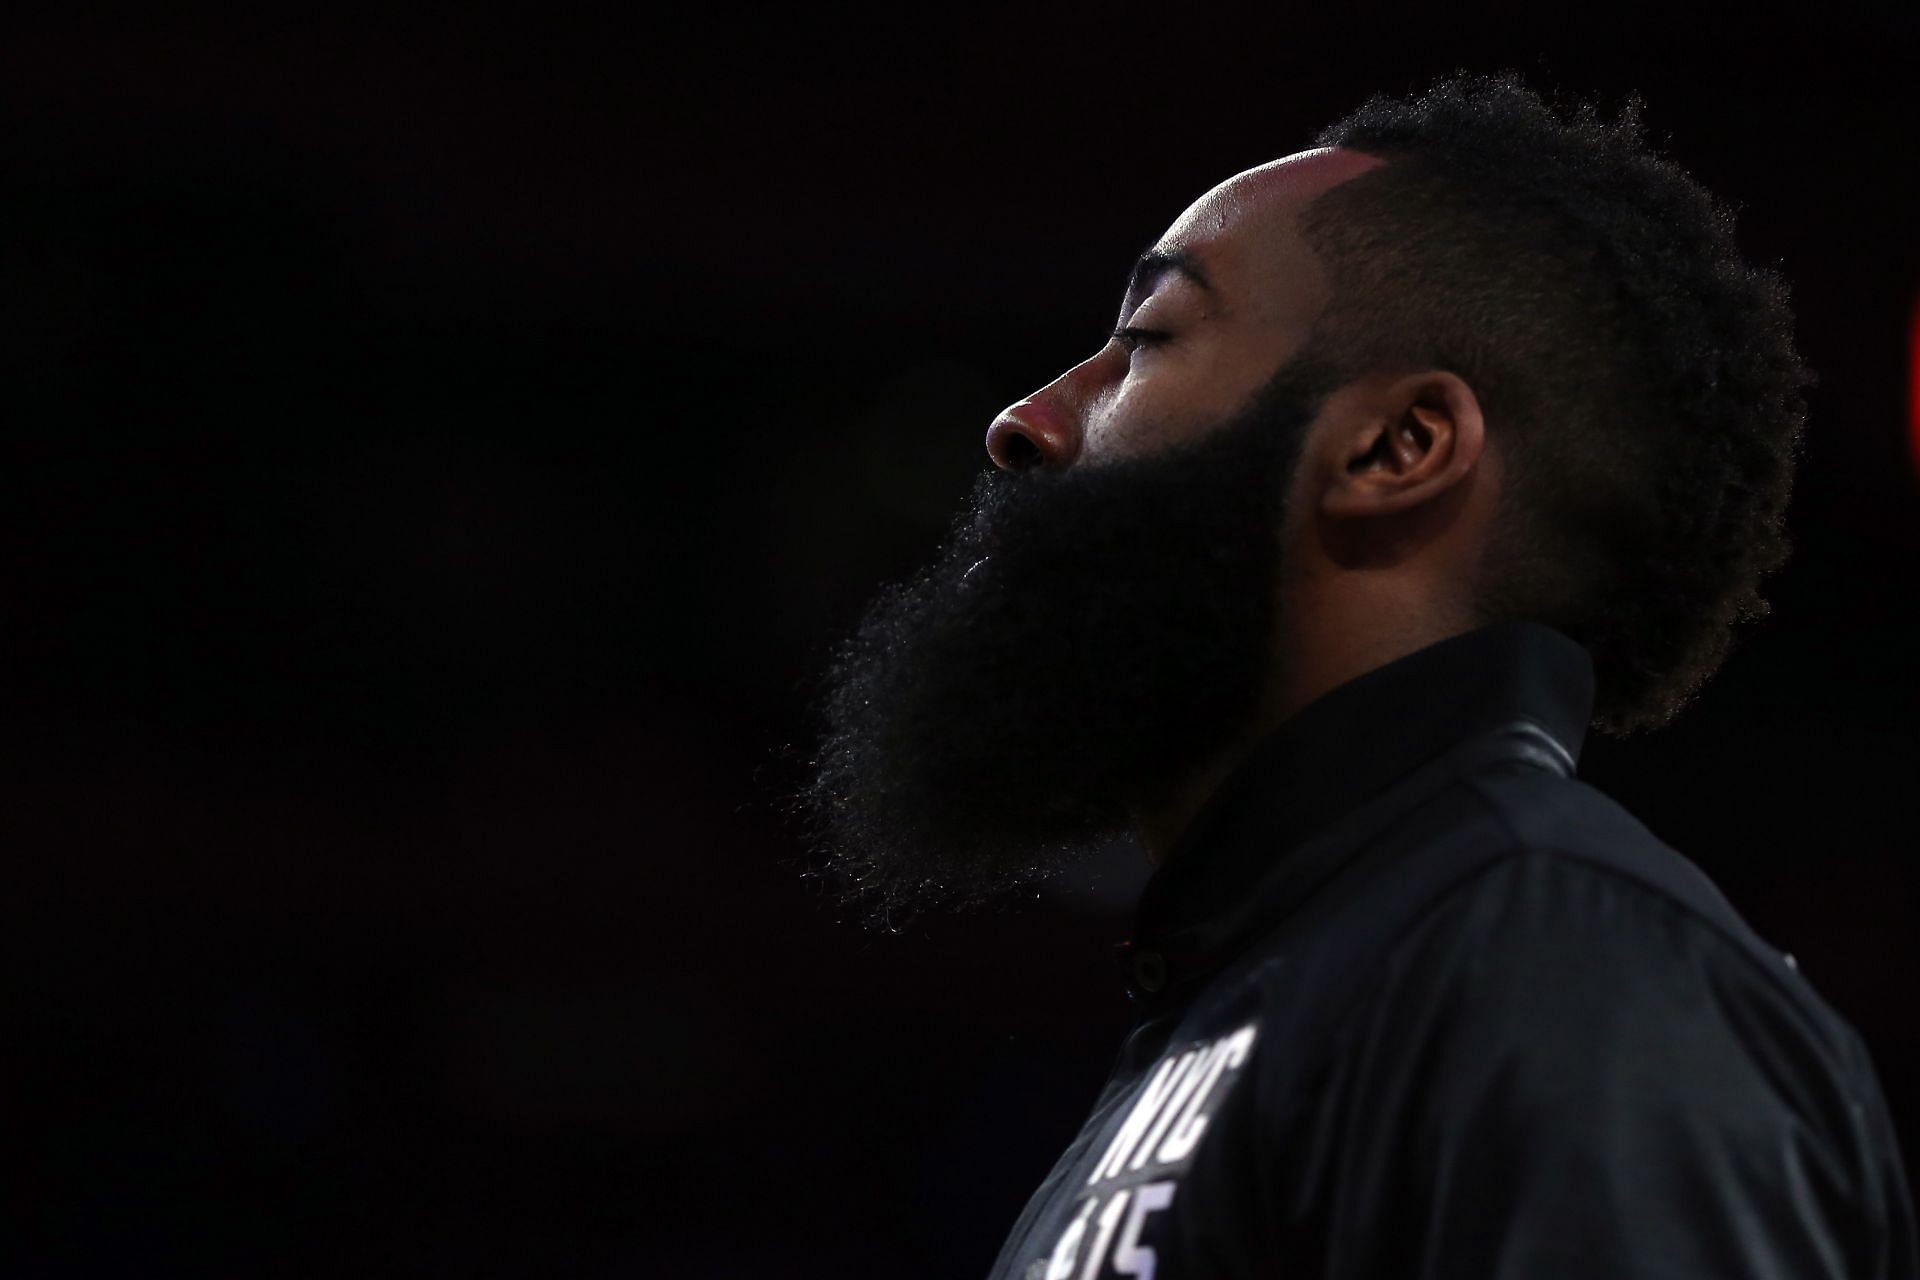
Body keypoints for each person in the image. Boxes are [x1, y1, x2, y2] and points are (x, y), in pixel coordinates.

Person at [794, 72, 1919, 1277]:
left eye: (1147, 341)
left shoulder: (1557, 969)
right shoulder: (1277, 988)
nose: (1027, 419)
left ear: (1397, 447)